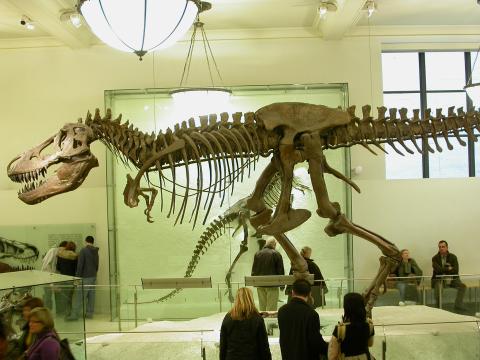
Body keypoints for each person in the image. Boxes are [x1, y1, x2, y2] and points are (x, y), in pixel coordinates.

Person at [277, 279, 328, 360]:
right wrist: (329, 348)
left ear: (293, 292)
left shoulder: (282, 311)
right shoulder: (311, 314)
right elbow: (315, 341)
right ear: (309, 294)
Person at [219, 287, 271, 360]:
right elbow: (264, 346)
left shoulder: (228, 318)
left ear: (236, 299)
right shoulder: (257, 319)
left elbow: (223, 345)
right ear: (250, 299)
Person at [328, 292, 375, 360]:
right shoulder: (369, 326)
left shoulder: (340, 329)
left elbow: (332, 356)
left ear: (346, 308)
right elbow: (370, 343)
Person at [68, 235, 99, 320]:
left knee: (79, 296)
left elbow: (80, 265)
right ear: (92, 242)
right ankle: (89, 314)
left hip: (85, 276)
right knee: (91, 296)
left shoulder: (84, 250)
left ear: (86, 241)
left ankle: (74, 315)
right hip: (93, 276)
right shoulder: (96, 251)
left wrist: (77, 278)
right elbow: (97, 265)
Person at [431, 240, 466, 311]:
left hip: (452, 279)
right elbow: (438, 270)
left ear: (447, 247)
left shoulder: (453, 257)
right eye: (440, 247)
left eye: (443, 247)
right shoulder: (435, 258)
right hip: (439, 279)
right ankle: (438, 307)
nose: (441, 248)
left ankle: (458, 305)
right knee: (438, 288)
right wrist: (448, 268)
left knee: (462, 286)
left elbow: (456, 270)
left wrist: (443, 269)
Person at [251, 238, 285, 311]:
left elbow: (254, 269)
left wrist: (254, 282)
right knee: (271, 308)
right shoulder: (276, 254)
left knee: (262, 306)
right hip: (272, 284)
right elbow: (280, 270)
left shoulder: (257, 253)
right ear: (274, 244)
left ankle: (262, 321)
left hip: (260, 284)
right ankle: (270, 322)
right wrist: (282, 284)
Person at [41, 241, 67, 311]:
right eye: (64, 249)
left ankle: (59, 312)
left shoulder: (60, 253)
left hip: (55, 278)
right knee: (48, 297)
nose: (64, 251)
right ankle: (47, 312)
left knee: (58, 296)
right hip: (47, 278)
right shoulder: (52, 251)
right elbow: (46, 264)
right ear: (62, 247)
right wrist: (52, 281)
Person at [56, 241, 79, 318]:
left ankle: (65, 313)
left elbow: (58, 267)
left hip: (63, 278)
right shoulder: (75, 257)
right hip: (71, 279)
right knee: (71, 297)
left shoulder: (60, 255)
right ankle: (70, 313)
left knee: (64, 296)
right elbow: (76, 269)